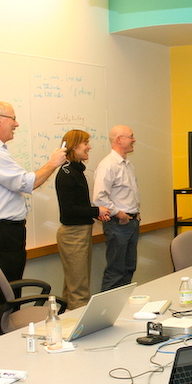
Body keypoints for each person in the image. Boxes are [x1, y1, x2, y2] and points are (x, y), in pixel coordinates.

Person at [0, 101, 64, 341]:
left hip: (5, 232)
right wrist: (53, 163)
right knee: (5, 297)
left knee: (5, 296)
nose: (17, 123)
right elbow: (27, 182)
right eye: (13, 118)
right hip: (1, 233)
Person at [55, 129, 110, 309]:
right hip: (73, 235)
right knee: (79, 291)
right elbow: (69, 211)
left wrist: (96, 212)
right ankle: (80, 332)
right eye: (85, 143)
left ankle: (66, 327)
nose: (89, 147)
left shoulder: (76, 171)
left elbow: (79, 207)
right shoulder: (66, 173)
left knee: (73, 286)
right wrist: (95, 211)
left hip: (81, 233)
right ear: (73, 146)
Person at [92, 125, 140, 291]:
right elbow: (99, 198)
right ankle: (108, 312)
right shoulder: (108, 165)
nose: (134, 140)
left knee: (129, 268)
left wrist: (135, 214)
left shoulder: (127, 164)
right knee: (116, 271)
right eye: (131, 136)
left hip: (131, 222)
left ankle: (123, 307)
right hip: (118, 224)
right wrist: (119, 214)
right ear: (119, 139)